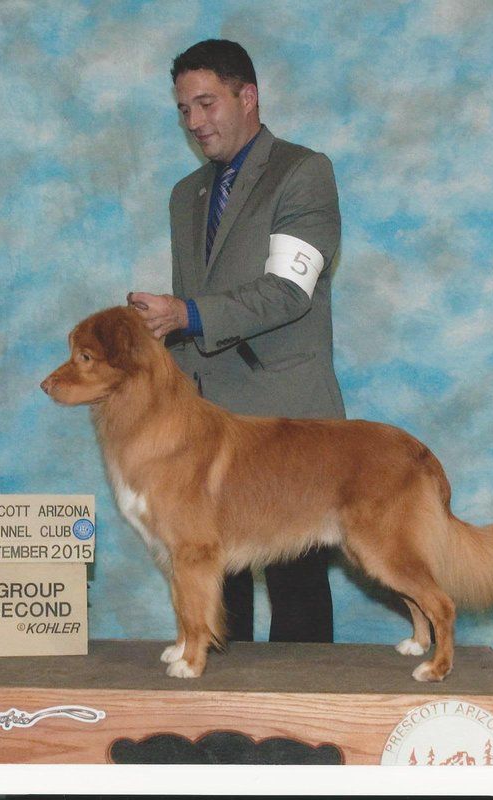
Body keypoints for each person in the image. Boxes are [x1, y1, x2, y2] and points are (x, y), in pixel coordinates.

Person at [129, 39, 344, 644]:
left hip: (287, 418)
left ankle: (304, 722)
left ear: (247, 96)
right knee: (212, 579)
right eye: (183, 110)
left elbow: (288, 292)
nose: (195, 122)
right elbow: (186, 317)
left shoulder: (303, 172)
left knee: (296, 583)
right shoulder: (185, 194)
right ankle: (217, 718)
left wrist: (187, 312)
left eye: (206, 104)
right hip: (202, 422)